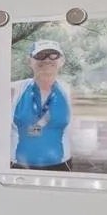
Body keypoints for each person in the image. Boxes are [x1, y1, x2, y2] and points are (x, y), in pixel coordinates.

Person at [13, 39, 73, 171]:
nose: (47, 60)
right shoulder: (14, 89)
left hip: (61, 166)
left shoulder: (69, 91)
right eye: (40, 55)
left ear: (62, 60)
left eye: (53, 55)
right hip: (18, 166)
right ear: (30, 61)